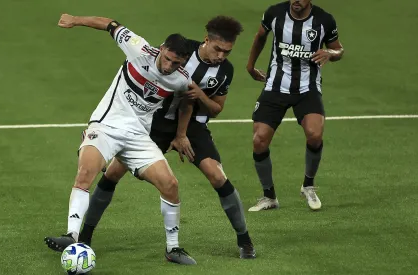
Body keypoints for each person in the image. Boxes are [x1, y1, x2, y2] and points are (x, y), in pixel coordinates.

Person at [78, 16, 256, 259]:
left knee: (217, 176)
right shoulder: (181, 50)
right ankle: (84, 237)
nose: (221, 56)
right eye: (218, 49)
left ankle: (244, 240)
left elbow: (215, 109)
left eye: (227, 51)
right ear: (207, 40)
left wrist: (199, 100)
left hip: (193, 127)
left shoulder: (226, 71)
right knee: (112, 173)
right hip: (156, 123)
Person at [44, 13, 198, 265]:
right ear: (162, 49)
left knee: (170, 184)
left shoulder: (181, 79)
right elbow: (109, 24)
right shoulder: (137, 48)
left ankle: (173, 249)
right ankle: (72, 235)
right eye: (167, 59)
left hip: (138, 137)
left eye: (175, 62)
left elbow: (185, 105)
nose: (168, 66)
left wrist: (181, 134)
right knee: (86, 171)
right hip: (106, 126)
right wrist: (75, 20)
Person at [246, 0, 344, 211]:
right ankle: (269, 197)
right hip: (275, 85)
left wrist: (330, 53)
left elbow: (339, 50)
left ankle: (308, 185)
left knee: (315, 134)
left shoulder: (324, 20)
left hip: (307, 88)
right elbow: (260, 37)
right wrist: (250, 65)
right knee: (259, 140)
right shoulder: (274, 13)